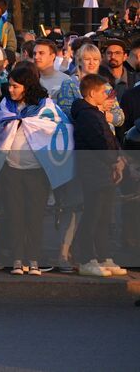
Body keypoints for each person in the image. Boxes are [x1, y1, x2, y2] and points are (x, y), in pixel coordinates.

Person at [0, 63, 62, 276]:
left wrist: (29, 123)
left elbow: (54, 128)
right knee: (15, 215)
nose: (10, 90)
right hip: (11, 169)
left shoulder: (45, 105)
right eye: (9, 86)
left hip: (37, 171)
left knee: (35, 217)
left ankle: (34, 259)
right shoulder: (6, 104)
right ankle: (18, 259)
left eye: (15, 86)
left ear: (27, 86)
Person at [72, 74, 125, 277]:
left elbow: (110, 139)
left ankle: (104, 257)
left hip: (104, 171)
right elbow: (99, 144)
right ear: (93, 93)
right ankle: (86, 259)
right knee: (92, 216)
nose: (107, 94)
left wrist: (118, 161)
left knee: (104, 217)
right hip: (93, 172)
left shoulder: (96, 113)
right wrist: (115, 162)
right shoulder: (87, 115)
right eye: (104, 91)